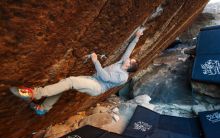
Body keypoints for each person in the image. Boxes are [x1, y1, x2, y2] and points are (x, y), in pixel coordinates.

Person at [10, 27, 145, 115]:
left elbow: (105, 77)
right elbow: (129, 49)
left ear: (129, 66)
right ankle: (44, 108)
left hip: (98, 86)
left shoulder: (123, 77)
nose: (129, 58)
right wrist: (137, 36)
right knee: (64, 84)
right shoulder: (123, 63)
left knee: (70, 81)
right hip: (93, 79)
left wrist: (95, 60)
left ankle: (34, 93)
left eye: (130, 60)